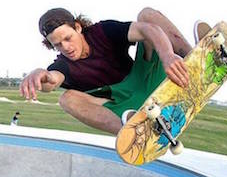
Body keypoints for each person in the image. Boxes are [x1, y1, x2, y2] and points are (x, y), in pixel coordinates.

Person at [20, 8, 198, 134]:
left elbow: (147, 29)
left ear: (78, 27)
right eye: (57, 45)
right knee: (67, 99)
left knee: (147, 16)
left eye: (68, 38)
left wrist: (167, 56)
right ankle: (136, 132)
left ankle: (195, 60)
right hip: (126, 107)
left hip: (147, 77)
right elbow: (52, 80)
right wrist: (41, 75)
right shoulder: (64, 65)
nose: (65, 47)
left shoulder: (103, 32)